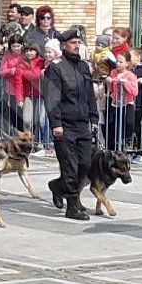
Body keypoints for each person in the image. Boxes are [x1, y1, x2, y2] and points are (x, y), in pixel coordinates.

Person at [44, 30, 99, 221]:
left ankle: (58, 187)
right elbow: (52, 97)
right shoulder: (56, 68)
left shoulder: (83, 66)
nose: (77, 45)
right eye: (73, 42)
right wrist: (56, 123)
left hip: (82, 123)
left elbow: (89, 94)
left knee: (85, 164)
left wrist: (94, 118)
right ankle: (72, 205)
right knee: (70, 167)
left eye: (79, 42)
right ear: (64, 45)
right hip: (65, 125)